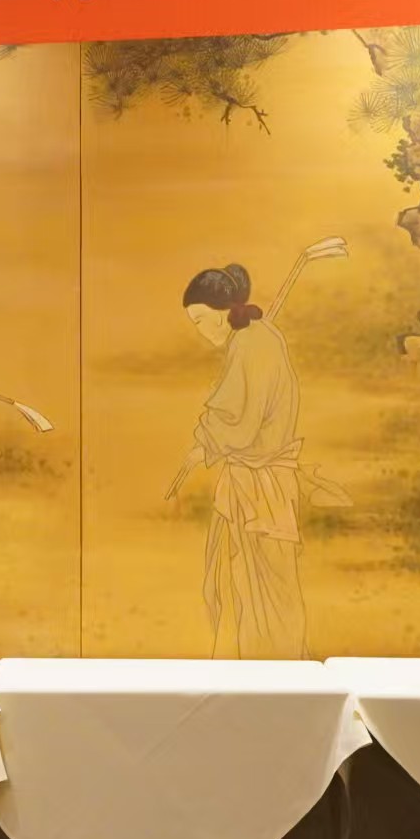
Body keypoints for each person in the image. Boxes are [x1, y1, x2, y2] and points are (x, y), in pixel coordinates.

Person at [168, 264, 347, 658]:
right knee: (248, 584)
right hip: (253, 479)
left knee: (265, 586)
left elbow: (241, 421)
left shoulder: (252, 344)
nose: (200, 330)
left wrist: (206, 443)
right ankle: (257, 663)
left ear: (219, 312)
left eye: (199, 320)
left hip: (260, 484)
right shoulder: (256, 338)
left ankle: (272, 666)